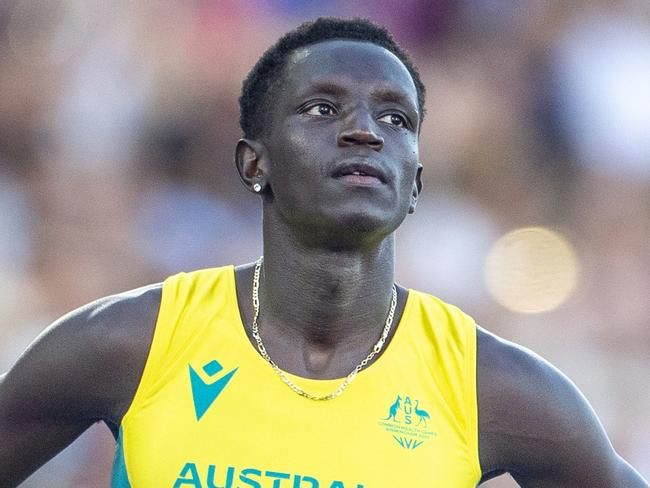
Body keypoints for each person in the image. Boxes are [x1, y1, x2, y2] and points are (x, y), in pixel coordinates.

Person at [0, 17, 647, 488]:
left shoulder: (490, 387)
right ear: (255, 163)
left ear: (415, 184)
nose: (365, 130)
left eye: (396, 119)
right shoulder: (135, 342)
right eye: (321, 108)